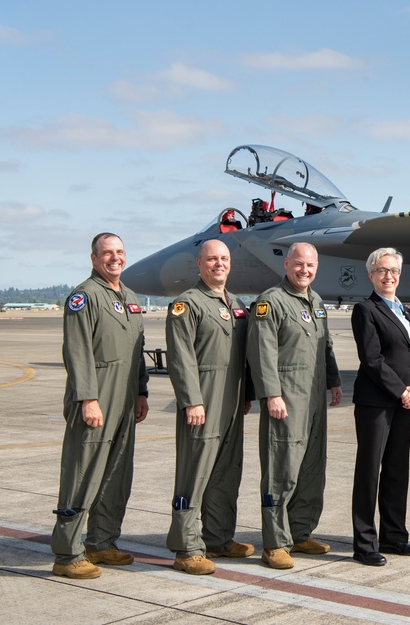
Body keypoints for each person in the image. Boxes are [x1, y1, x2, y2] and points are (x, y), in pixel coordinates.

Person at [51, 233, 149, 579]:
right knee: (83, 474)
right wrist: (87, 399)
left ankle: (102, 542)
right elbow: (77, 353)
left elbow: (136, 351)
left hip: (124, 398)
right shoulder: (84, 297)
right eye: (107, 253)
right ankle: (66, 553)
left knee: (117, 474)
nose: (115, 258)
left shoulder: (131, 298)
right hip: (96, 395)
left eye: (120, 252)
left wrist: (141, 391)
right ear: (94, 258)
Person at [247, 242, 342, 570]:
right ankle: (274, 544)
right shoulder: (270, 302)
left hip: (315, 398)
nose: (305, 270)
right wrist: (271, 394)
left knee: (312, 469)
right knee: (281, 471)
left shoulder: (316, 302)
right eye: (299, 264)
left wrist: (334, 381)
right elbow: (262, 352)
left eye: (311, 265)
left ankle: (300, 532)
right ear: (287, 264)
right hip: (286, 399)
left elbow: (324, 344)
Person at [165, 240, 255, 575]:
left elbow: (245, 357)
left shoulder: (238, 304)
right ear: (199, 264)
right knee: (195, 472)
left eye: (224, 259)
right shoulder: (187, 304)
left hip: (232, 400)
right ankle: (186, 547)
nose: (219, 264)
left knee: (227, 472)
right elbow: (181, 357)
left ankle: (218, 538)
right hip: (203, 397)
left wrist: (247, 393)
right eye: (212, 259)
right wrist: (192, 400)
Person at [350, 248, 410, 566]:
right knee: (370, 472)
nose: (389, 275)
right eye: (382, 270)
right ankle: (365, 543)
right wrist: (401, 391)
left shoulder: (405, 311)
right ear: (371, 275)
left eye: (394, 270)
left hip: (405, 402)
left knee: (397, 470)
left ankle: (394, 536)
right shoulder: (365, 309)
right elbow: (371, 359)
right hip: (376, 403)